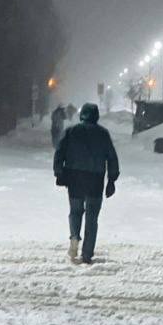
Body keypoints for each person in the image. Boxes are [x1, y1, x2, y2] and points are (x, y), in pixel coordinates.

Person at [53, 102, 120, 264]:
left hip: (75, 178)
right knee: (92, 217)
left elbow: (59, 152)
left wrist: (59, 171)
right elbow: (111, 157)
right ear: (96, 116)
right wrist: (111, 179)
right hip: (95, 179)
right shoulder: (103, 134)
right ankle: (87, 253)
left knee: (75, 211)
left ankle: (74, 238)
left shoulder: (71, 131)